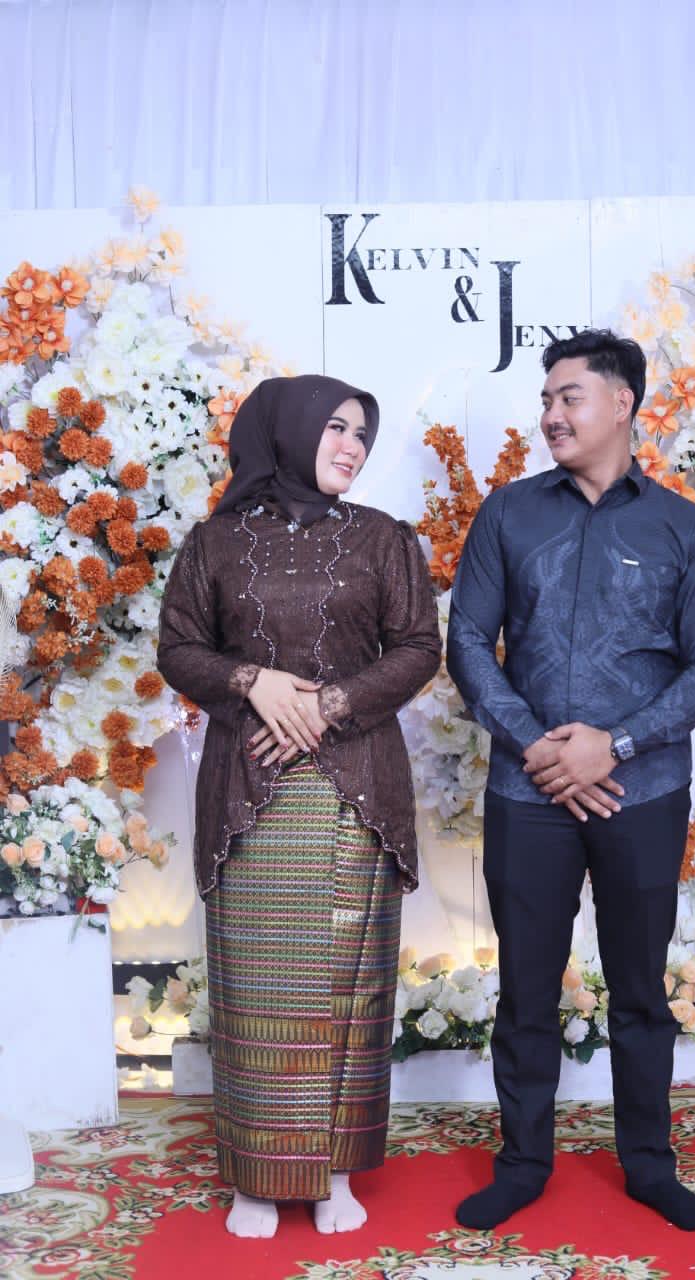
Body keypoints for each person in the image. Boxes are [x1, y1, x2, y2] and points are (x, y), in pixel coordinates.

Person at [447, 329, 695, 1233]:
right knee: (525, 988)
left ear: (621, 403)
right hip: (525, 792)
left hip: (639, 794)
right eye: (545, 399)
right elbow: (468, 642)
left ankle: (648, 1165)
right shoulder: (507, 514)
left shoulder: (686, 529)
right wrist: (541, 748)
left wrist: (613, 745)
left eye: (567, 397)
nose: (550, 415)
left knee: (640, 989)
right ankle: (522, 1164)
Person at [157, 375, 440, 1239]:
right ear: (286, 431)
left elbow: (418, 647)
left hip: (355, 788)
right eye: (335, 428)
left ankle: (333, 1176)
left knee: (346, 988)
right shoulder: (214, 543)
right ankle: (255, 1177)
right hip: (251, 792)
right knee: (257, 989)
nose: (352, 446)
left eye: (361, 433)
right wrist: (253, 682)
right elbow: (178, 649)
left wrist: (326, 705)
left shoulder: (384, 539)